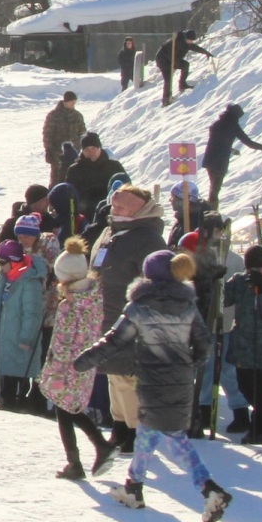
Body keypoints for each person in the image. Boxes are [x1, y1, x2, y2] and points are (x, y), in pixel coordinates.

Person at [74, 250, 232, 522]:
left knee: (172, 437)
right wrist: (191, 363)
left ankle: (209, 488)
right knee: (148, 431)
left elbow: (114, 341)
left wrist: (84, 361)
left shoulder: (139, 307)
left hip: (152, 380)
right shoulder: (187, 305)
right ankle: (133, 487)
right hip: (180, 380)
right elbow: (204, 341)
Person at [87, 183, 165, 451]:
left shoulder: (148, 239)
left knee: (127, 377)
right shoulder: (112, 231)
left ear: (138, 209)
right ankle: (119, 427)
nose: (114, 209)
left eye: (121, 205)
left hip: (131, 319)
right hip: (106, 314)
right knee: (113, 376)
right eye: (113, 204)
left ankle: (135, 432)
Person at [37, 237, 117, 479]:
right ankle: (93, 450)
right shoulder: (94, 296)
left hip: (66, 367)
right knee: (69, 409)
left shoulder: (68, 305)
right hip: (86, 362)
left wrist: (56, 371)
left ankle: (80, 459)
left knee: (65, 409)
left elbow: (61, 342)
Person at [223, 244, 262, 440]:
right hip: (243, 345)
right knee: (244, 386)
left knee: (261, 389)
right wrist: (214, 281)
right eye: (253, 269)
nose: (258, 272)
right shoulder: (241, 281)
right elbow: (223, 300)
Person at [0, 219, 49, 412]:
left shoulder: (30, 277)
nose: (23, 239)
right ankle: (6, 401)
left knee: (21, 370)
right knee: (6, 370)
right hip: (6, 332)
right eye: (20, 235)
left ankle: (23, 402)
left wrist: (26, 337)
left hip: (21, 333)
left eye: (27, 235)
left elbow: (32, 312)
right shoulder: (4, 276)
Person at [199, 104, 262, 209]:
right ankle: (212, 212)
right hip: (220, 162)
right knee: (215, 189)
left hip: (209, 159)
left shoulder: (216, 124)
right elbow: (249, 143)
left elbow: (217, 142)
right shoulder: (234, 127)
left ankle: (211, 209)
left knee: (213, 187)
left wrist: (231, 149)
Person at [64, 133, 126, 210]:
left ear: (99, 148)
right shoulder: (74, 170)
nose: (91, 152)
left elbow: (126, 188)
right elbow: (70, 193)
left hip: (112, 209)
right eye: (87, 149)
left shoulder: (114, 166)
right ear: (82, 151)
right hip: (85, 213)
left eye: (93, 148)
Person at [42, 92, 87, 189]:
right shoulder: (54, 115)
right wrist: (48, 149)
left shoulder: (77, 115)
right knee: (56, 179)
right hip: (57, 153)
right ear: (65, 101)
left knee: (72, 177)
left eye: (74, 102)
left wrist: (83, 148)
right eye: (71, 101)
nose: (73, 104)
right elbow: (47, 133)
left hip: (74, 153)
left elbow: (83, 133)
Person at [155, 29, 212, 105]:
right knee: (168, 78)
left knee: (185, 65)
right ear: (185, 38)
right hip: (163, 60)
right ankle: (166, 99)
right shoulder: (175, 42)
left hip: (174, 59)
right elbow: (170, 55)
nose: (191, 42)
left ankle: (182, 84)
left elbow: (196, 48)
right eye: (190, 40)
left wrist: (207, 53)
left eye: (192, 40)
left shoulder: (187, 42)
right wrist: (175, 64)